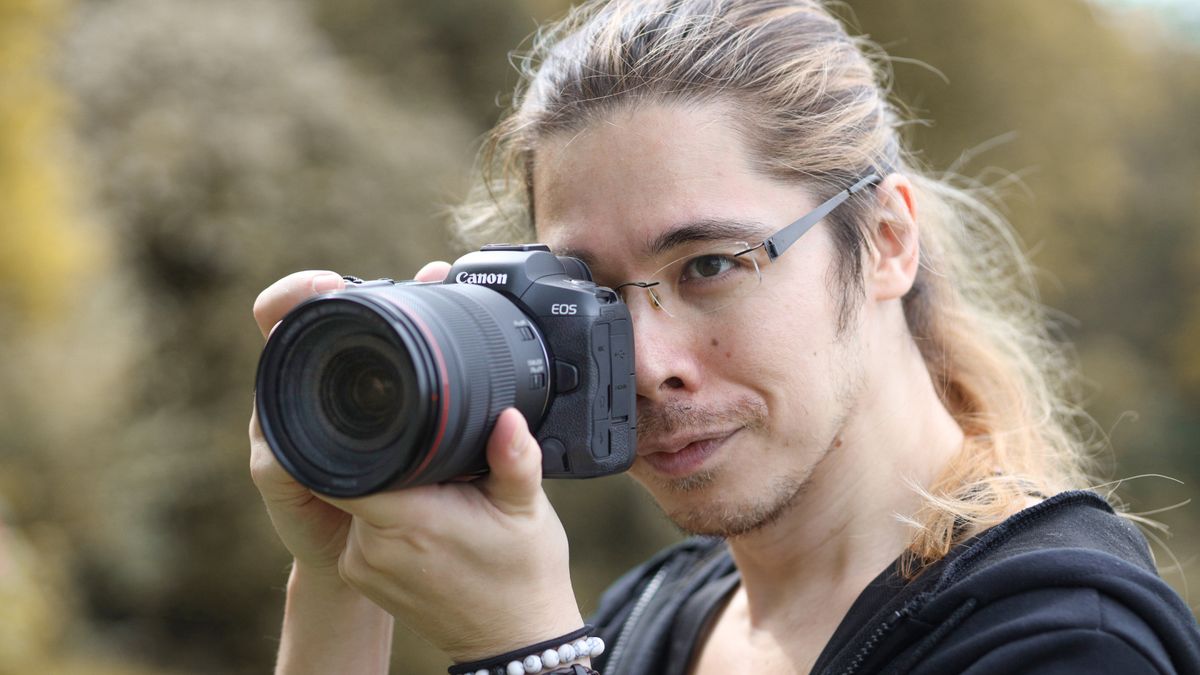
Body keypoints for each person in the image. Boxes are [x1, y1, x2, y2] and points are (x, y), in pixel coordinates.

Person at [248, 0, 1200, 673]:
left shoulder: (1070, 637)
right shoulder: (660, 618)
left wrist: (526, 653)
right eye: (591, 292)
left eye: (710, 265)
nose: (650, 364)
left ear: (888, 242)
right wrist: (339, 577)